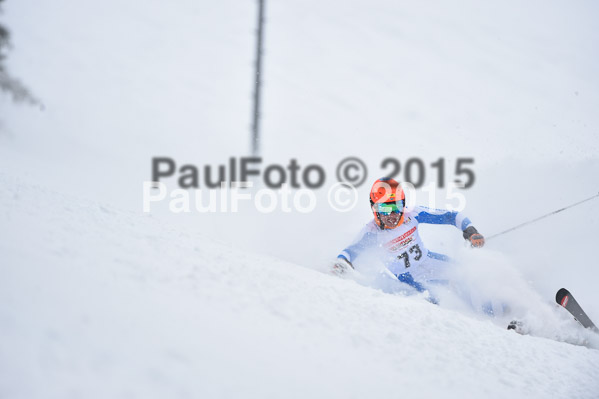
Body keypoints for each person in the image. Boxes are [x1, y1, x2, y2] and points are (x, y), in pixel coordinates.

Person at [335, 177, 485, 295]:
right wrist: (341, 263)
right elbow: (350, 252)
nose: (392, 214)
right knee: (434, 299)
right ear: (375, 208)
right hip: (406, 278)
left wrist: (471, 231)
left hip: (428, 261)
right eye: (386, 208)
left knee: (463, 273)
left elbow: (450, 216)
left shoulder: (411, 214)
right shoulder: (372, 232)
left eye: (397, 206)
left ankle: (491, 311)